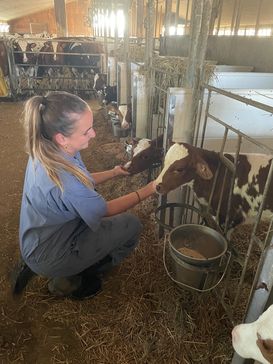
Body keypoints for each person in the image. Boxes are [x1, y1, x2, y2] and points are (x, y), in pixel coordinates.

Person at [15, 91, 157, 300]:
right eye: (87, 131)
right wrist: (152, 188)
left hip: (39, 236)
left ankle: (59, 266)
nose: (94, 134)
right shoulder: (65, 180)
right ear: (62, 137)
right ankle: (75, 277)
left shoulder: (47, 148)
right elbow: (105, 210)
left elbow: (82, 180)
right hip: (50, 251)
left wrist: (114, 172)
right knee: (131, 224)